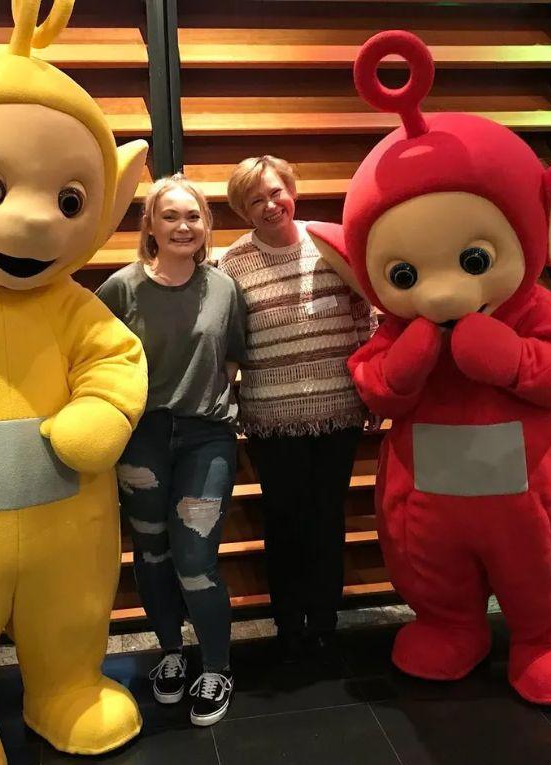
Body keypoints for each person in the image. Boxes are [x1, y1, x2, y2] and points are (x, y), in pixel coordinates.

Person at [96, 174, 247, 726]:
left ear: (206, 225)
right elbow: (92, 357)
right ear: (150, 226)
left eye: (193, 216)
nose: (183, 226)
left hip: (206, 438)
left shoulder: (224, 288)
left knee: (195, 558)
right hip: (142, 441)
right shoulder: (120, 289)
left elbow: (233, 356)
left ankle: (217, 667)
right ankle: (171, 653)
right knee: (153, 553)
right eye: (170, 216)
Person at [219, 155, 377, 662]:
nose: (270, 205)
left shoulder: (331, 243)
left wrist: (373, 388)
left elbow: (365, 316)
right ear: (243, 211)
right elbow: (228, 340)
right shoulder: (232, 263)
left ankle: (325, 621)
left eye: (275, 192)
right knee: (283, 521)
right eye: (255, 200)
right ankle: (288, 623)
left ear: (292, 190)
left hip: (338, 412)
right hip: (271, 419)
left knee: (327, 517)